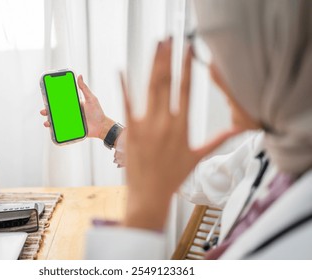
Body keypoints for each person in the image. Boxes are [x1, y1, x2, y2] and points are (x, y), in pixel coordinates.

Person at [41, 0, 312, 259]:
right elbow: (201, 179)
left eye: (221, 50)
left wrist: (143, 216)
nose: (215, 73)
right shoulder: (276, 143)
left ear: (284, 49)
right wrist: (105, 130)